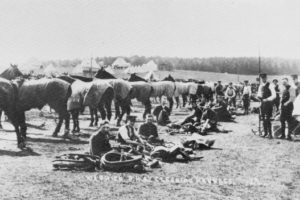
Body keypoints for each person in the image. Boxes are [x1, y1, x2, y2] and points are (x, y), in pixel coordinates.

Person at [257, 73, 276, 138]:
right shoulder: (261, 85)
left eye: (264, 78)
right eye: (262, 78)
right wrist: (259, 98)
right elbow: (259, 94)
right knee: (263, 118)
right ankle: (265, 133)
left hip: (268, 104)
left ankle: (270, 134)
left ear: (266, 78)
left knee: (267, 118)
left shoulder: (270, 85)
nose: (263, 79)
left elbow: (274, 95)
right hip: (262, 103)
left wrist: (267, 99)